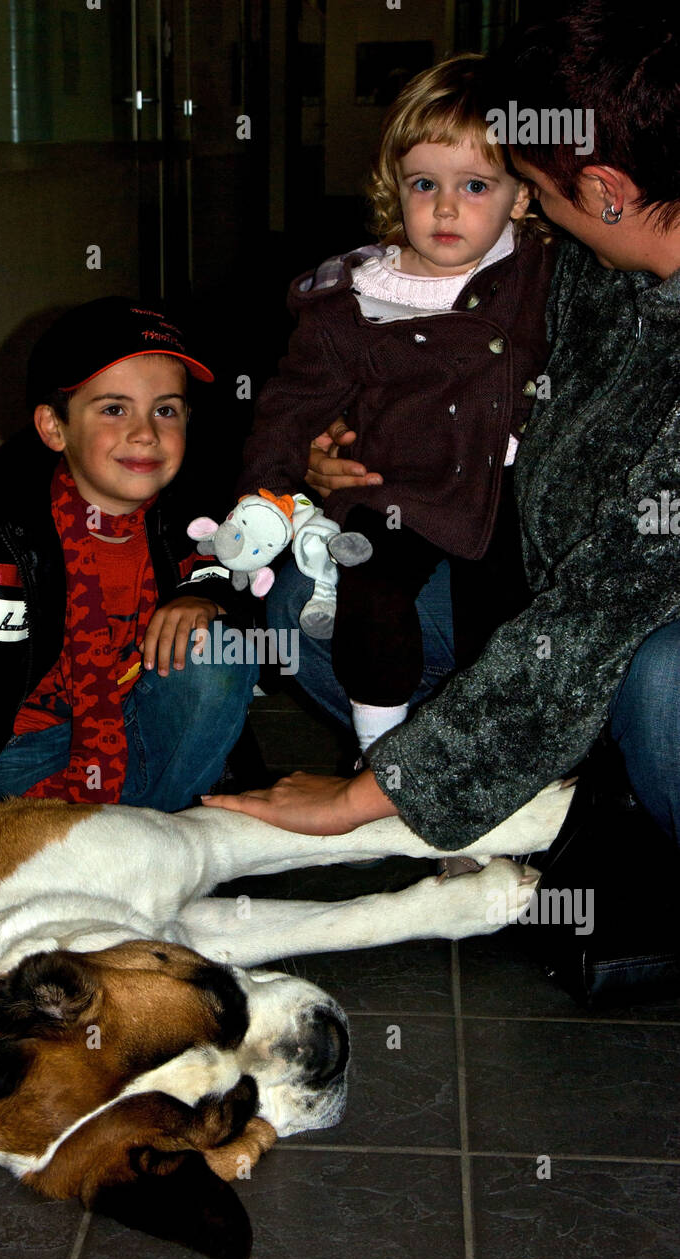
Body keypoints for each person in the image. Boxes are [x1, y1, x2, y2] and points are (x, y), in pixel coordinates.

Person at [205, 0, 680, 851]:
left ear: (605, 193)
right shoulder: (597, 262)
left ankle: (565, 796)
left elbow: (600, 616)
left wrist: (366, 799)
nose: (519, 210)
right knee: (311, 600)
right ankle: (478, 777)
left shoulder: (563, 269)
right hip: (501, 557)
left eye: (524, 186)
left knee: (661, 678)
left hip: (606, 624)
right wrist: (329, 453)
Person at [236, 54, 556, 754]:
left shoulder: (537, 272)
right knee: (371, 603)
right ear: (395, 186)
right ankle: (384, 761)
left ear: (522, 198)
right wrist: (265, 493)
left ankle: (490, 776)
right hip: (393, 487)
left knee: (497, 626)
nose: (445, 208)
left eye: (476, 186)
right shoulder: (353, 298)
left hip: (499, 492)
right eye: (424, 184)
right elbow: (291, 405)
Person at [0, 297, 257, 813]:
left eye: (165, 409)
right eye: (114, 409)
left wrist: (206, 594)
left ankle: (150, 829)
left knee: (219, 646)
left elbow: (254, 593)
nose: (146, 432)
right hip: (15, 749)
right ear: (54, 427)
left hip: (142, 731)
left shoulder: (201, 521)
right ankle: (123, 838)